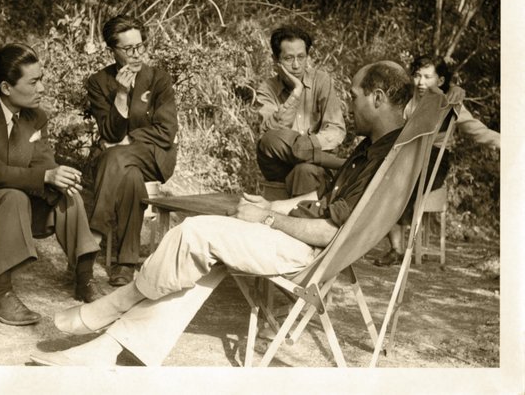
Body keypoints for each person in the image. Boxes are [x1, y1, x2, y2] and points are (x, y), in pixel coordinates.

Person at [30, 60, 413, 366]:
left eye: (355, 96)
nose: (349, 104)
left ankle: (115, 303)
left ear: (377, 98)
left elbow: (331, 232)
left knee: (193, 233)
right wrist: (271, 205)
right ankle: (107, 349)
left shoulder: (385, 159)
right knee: (196, 263)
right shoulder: (384, 147)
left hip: (310, 252)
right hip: (303, 235)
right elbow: (328, 201)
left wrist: (267, 219)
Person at [0, 43, 103, 326]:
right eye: (34, 82)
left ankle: (85, 280)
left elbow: (42, 164)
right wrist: (44, 177)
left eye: (41, 79)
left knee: (67, 195)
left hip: (9, 201)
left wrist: (56, 176)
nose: (42, 88)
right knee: (13, 198)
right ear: (6, 87)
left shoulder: (35, 116)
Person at [374, 55, 501, 266]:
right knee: (383, 177)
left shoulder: (450, 103)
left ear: (440, 80)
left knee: (405, 183)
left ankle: (400, 244)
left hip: (434, 158)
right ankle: (395, 248)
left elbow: (476, 130)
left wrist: (506, 142)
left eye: (427, 77)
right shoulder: (407, 98)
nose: (421, 82)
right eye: (417, 76)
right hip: (406, 153)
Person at [86, 15, 178, 286]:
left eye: (140, 46)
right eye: (128, 49)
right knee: (128, 176)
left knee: (115, 155)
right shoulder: (99, 82)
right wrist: (121, 96)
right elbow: (109, 133)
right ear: (112, 50)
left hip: (155, 156)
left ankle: (93, 238)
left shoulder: (159, 79)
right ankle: (125, 263)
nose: (137, 54)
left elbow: (166, 132)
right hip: (123, 162)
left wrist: (128, 140)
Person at [256, 25, 346, 197]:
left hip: (316, 167)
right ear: (275, 60)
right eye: (289, 58)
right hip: (281, 167)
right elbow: (271, 134)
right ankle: (342, 164)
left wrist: (308, 145)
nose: (296, 66)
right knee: (269, 139)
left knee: (305, 169)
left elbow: (336, 129)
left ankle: (297, 218)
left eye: (301, 57)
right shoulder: (267, 88)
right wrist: (296, 92)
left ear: (307, 57)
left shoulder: (321, 81)